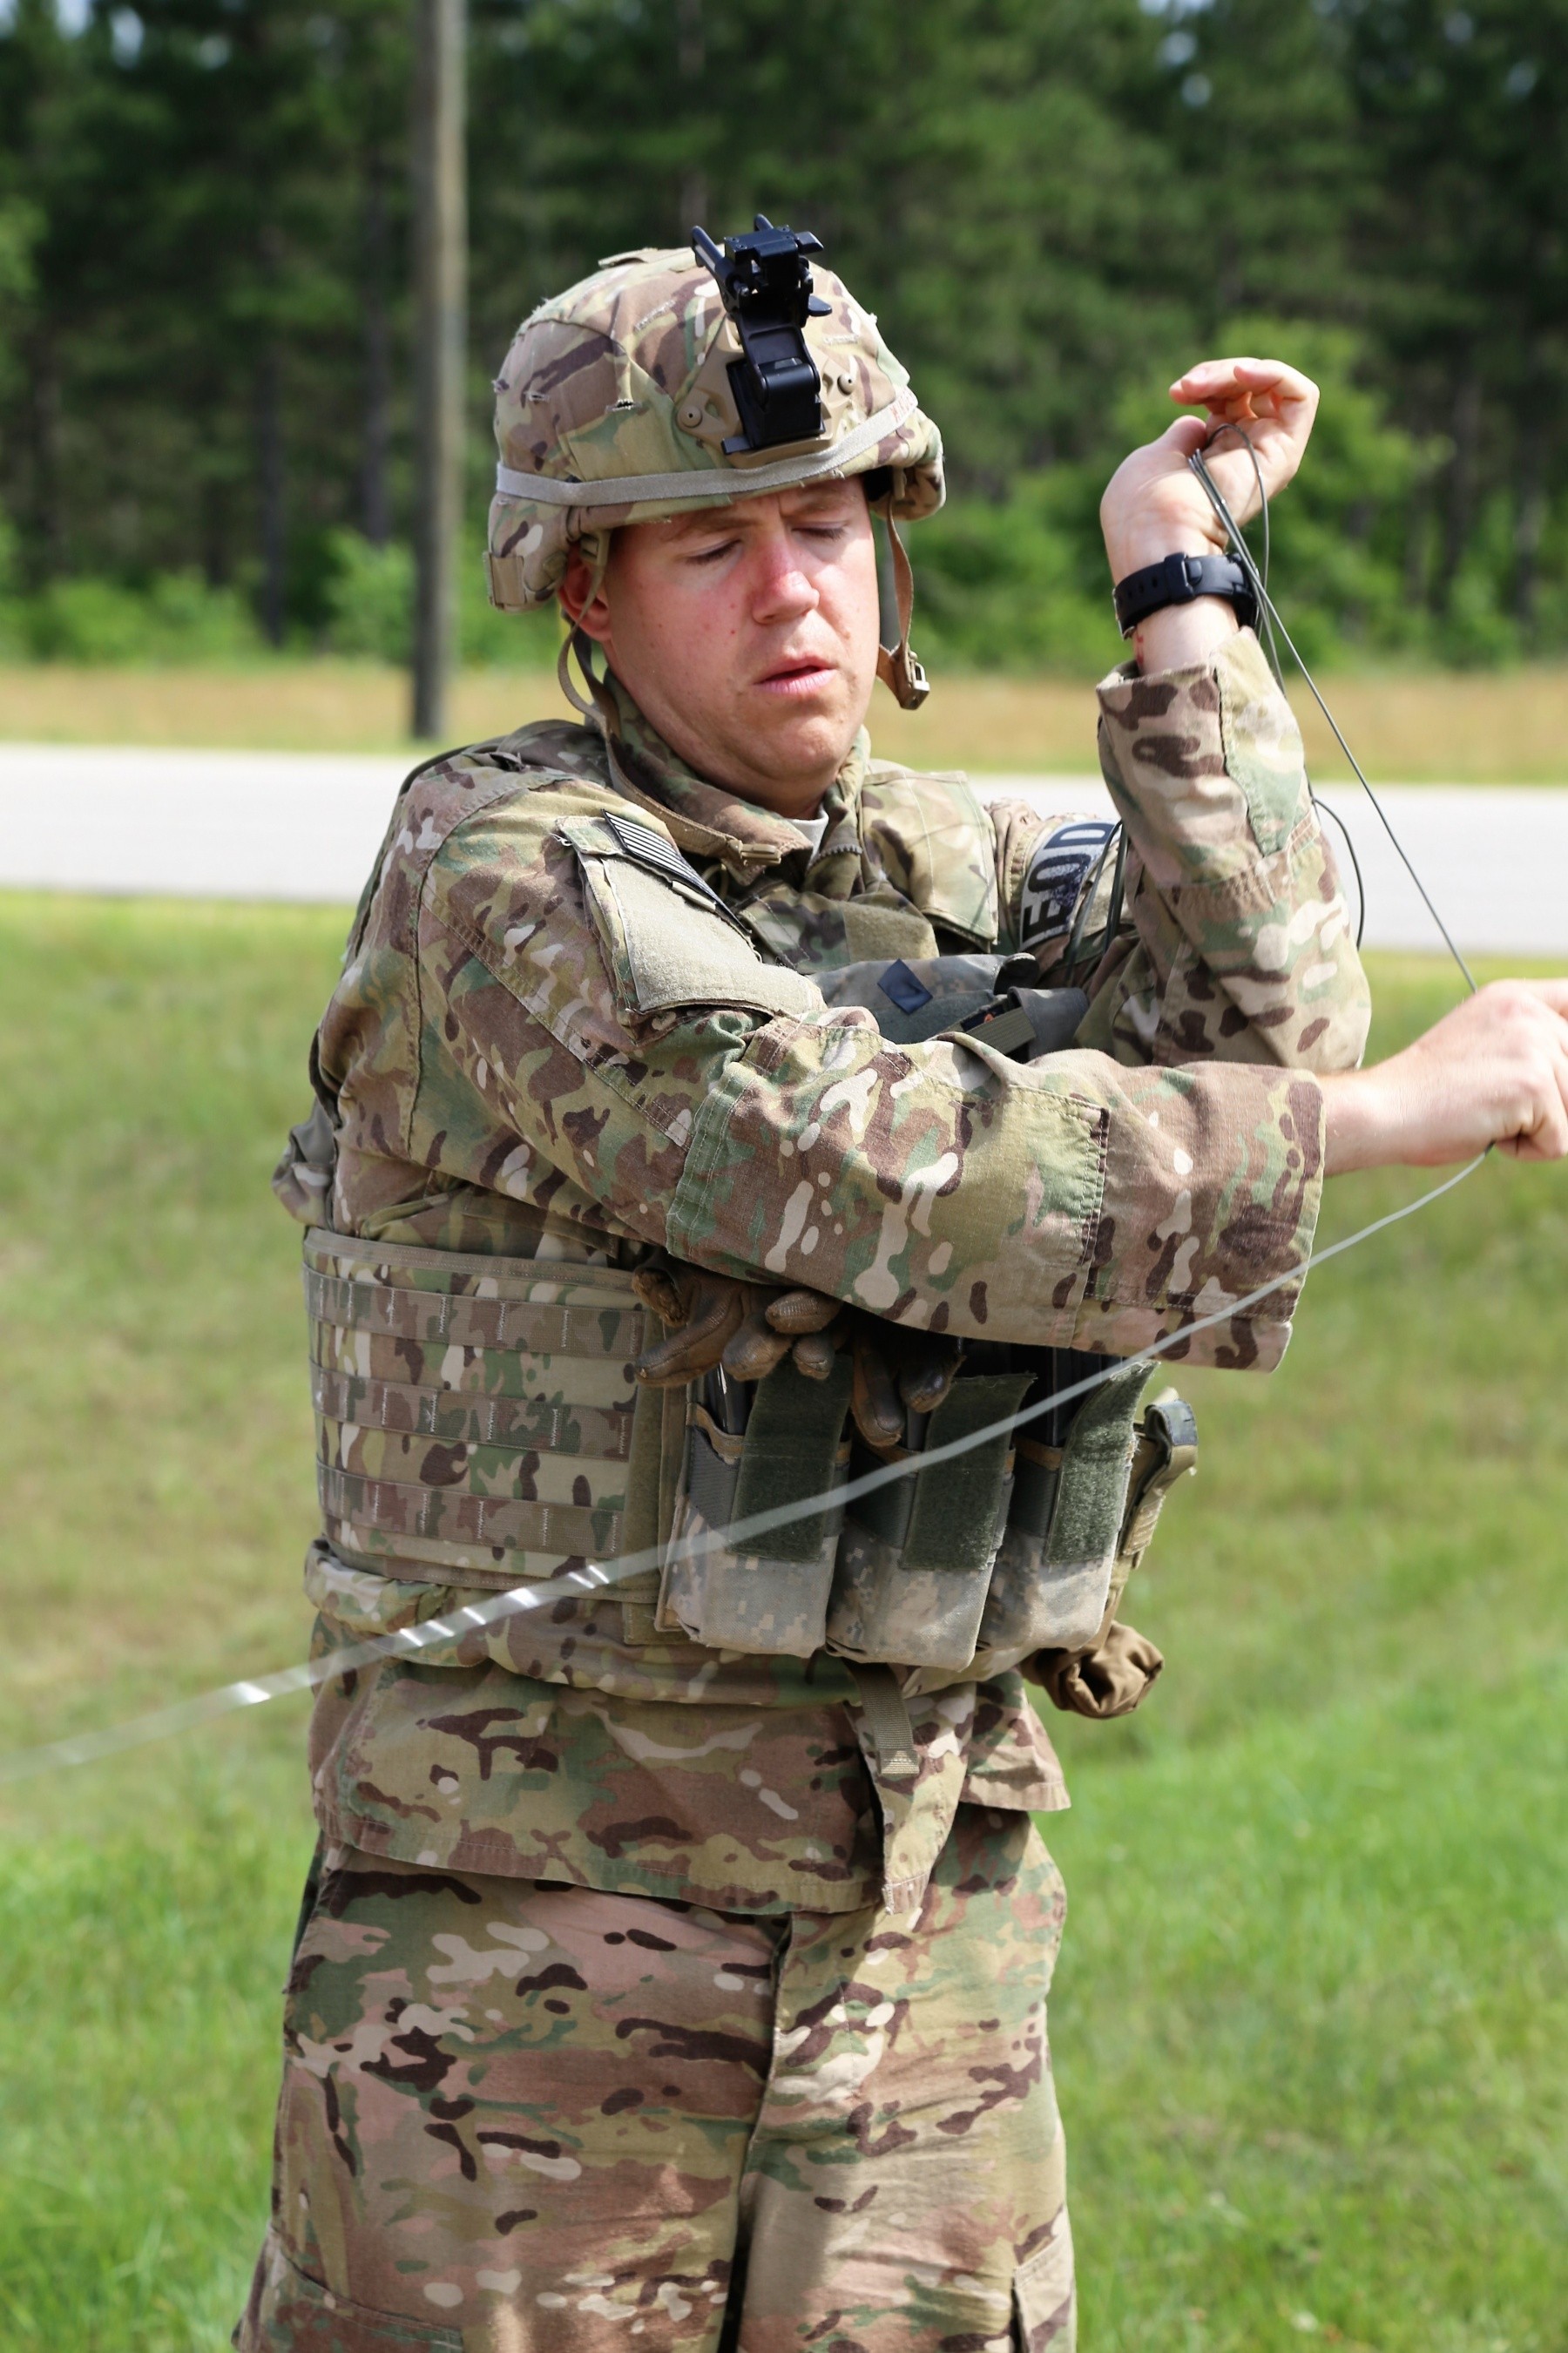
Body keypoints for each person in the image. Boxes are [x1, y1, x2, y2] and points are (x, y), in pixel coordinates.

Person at [240, 228, 1568, 2353]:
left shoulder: (940, 851)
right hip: (544, 1988)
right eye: (712, 545)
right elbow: (846, 1155)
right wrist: (1389, 1125)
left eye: (829, 518)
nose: (796, 589)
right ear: (586, 590)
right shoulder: (497, 877)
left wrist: (1181, 579)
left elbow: (1265, 1012)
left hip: (922, 1940)